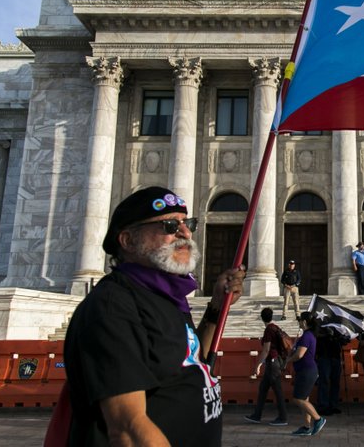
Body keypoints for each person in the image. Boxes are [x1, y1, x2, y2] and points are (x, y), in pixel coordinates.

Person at [64, 186, 246, 446]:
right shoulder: (113, 307)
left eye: (187, 224)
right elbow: (128, 429)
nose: (185, 233)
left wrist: (217, 306)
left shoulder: (164, 297)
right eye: (170, 226)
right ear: (128, 241)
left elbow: (192, 361)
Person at [244, 308, 288, 426]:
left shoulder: (269, 330)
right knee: (263, 389)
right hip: (274, 362)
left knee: (277, 390)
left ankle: (283, 417)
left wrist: (257, 365)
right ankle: (257, 415)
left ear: (262, 318)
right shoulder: (275, 327)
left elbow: (266, 350)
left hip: (272, 363)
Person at [286, 311, 326, 436]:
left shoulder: (307, 336)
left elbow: (299, 355)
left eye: (299, 321)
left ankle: (318, 419)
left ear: (304, 322)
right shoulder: (307, 335)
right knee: (304, 399)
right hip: (306, 370)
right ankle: (306, 426)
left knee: (298, 398)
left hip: (306, 370)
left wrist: (288, 360)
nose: (298, 323)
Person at [316, 326, 346, 416]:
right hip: (324, 356)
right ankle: (323, 406)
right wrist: (327, 334)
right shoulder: (321, 327)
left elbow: (343, 341)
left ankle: (333, 405)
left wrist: (338, 337)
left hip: (335, 356)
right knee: (324, 381)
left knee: (335, 382)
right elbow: (317, 338)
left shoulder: (337, 327)